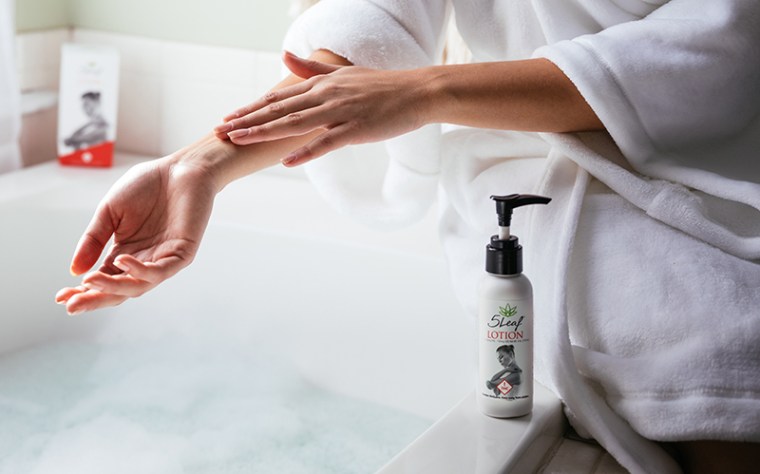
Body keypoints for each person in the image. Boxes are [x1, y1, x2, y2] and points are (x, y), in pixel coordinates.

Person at [56, 1, 760, 472]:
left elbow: (720, 47)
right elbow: (371, 31)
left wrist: (428, 91)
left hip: (713, 177)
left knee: (722, 339)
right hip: (529, 185)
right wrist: (199, 166)